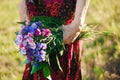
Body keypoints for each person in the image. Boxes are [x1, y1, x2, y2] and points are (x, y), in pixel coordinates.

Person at [19, 0, 90, 80]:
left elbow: (75, 27)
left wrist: (78, 22)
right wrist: (23, 7)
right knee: (38, 63)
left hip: (66, 17)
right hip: (37, 10)